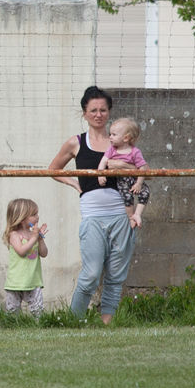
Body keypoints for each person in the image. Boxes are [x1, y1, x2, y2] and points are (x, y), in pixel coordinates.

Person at [49, 85, 138, 324]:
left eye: (103, 110)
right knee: (90, 274)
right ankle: (73, 321)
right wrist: (74, 184)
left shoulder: (122, 142)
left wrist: (121, 166)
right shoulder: (76, 142)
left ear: (109, 112)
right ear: (84, 113)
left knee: (115, 276)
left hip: (121, 216)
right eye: (93, 110)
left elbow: (143, 171)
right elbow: (53, 169)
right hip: (92, 217)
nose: (98, 115)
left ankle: (106, 324)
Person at [98, 116, 150, 227]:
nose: (110, 137)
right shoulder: (111, 150)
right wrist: (100, 175)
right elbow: (103, 161)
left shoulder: (135, 152)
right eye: (110, 134)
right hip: (122, 180)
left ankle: (138, 214)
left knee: (145, 192)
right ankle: (131, 217)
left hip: (135, 179)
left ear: (126, 138)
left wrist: (139, 183)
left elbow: (142, 168)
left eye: (114, 135)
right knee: (127, 197)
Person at [3, 198, 48, 316]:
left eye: (37, 213)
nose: (37, 217)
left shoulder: (33, 234)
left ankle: (39, 325)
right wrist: (34, 238)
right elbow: (21, 251)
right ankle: (12, 325)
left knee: (38, 310)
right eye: (34, 214)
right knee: (12, 311)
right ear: (22, 218)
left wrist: (40, 239)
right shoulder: (14, 235)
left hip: (33, 280)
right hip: (16, 281)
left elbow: (44, 253)